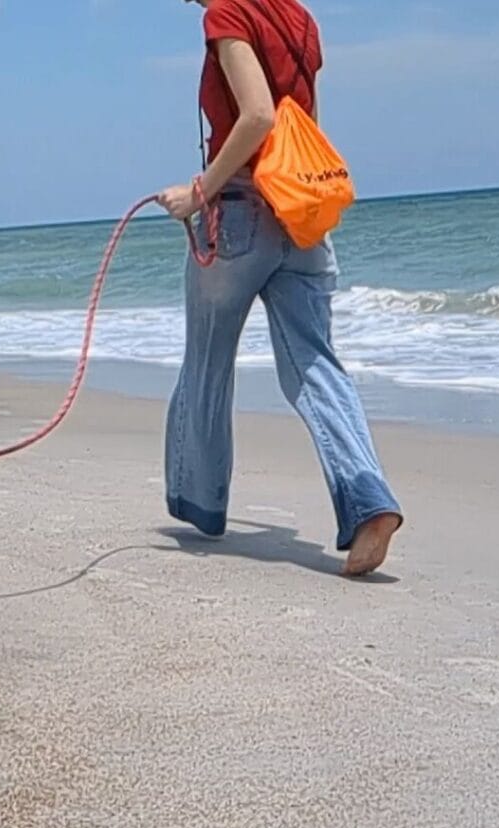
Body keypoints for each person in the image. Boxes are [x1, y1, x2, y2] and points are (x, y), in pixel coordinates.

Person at [158, 0, 402, 576]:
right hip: (301, 215)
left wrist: (199, 191)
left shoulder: (226, 14)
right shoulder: (299, 19)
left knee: (207, 364)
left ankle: (203, 502)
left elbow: (260, 117)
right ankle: (369, 501)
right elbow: (301, 122)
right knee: (316, 365)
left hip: (240, 213)